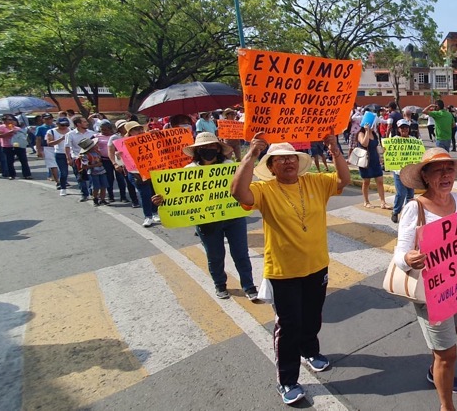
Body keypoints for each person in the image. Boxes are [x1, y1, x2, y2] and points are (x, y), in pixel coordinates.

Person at [230, 133, 350, 405]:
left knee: (312, 316)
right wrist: (250, 154)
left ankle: (310, 351)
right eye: (280, 159)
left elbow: (343, 179)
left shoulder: (316, 183)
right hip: (283, 271)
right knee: (289, 325)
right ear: (271, 166)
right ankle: (287, 380)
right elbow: (239, 192)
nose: (287, 162)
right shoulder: (265, 190)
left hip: (317, 265)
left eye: (291, 157)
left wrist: (335, 150)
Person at [393, 147, 457, 411]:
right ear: (425, 176)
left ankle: (435, 370)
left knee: (452, 335)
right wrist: (409, 259)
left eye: (449, 168)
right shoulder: (413, 208)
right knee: (448, 353)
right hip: (431, 291)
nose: (445, 174)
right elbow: (399, 255)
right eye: (437, 170)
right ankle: (446, 405)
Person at [152, 132, 258, 300]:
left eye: (211, 146)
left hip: (233, 217)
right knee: (215, 255)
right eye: (203, 148)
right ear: (197, 151)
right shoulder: (188, 171)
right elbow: (179, 196)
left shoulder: (230, 166)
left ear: (218, 149)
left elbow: (244, 185)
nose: (208, 150)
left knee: (241, 253)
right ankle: (220, 284)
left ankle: (249, 285)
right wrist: (162, 200)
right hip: (206, 221)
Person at [388, 119, 416, 223]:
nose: (404, 129)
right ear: (398, 129)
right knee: (401, 193)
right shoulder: (394, 139)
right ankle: (395, 212)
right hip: (398, 172)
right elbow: (388, 152)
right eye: (402, 127)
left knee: (410, 194)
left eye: (406, 127)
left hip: (410, 172)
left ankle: (408, 213)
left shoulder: (413, 139)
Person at [357, 124, 390, 209]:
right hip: (365, 161)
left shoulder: (374, 133)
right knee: (366, 181)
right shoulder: (361, 133)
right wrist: (367, 131)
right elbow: (364, 144)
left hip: (375, 160)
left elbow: (375, 147)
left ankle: (383, 202)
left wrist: (379, 157)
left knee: (380, 180)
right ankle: (366, 201)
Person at [66, 115, 96, 202]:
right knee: (80, 177)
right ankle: (84, 194)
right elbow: (67, 147)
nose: (87, 123)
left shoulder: (91, 133)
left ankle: (92, 191)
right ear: (78, 124)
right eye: (84, 122)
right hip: (77, 159)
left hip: (91, 158)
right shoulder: (70, 134)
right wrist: (68, 158)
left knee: (92, 176)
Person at [107, 119, 136, 205]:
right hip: (122, 163)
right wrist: (115, 163)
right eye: (123, 126)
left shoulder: (133, 135)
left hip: (135, 162)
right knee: (127, 181)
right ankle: (132, 200)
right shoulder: (114, 137)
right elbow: (110, 151)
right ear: (119, 128)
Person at [0, 114, 32, 180]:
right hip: (7, 146)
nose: (11, 121)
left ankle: (27, 174)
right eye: (9, 119)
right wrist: (9, 133)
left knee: (23, 160)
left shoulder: (17, 128)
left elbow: (23, 136)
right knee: (9, 161)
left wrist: (26, 133)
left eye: (12, 119)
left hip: (18, 145)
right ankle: (11, 175)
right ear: (4, 120)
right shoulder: (1, 127)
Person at [76, 138, 108, 206]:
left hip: (102, 171)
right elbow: (84, 166)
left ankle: (102, 199)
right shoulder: (85, 155)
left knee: (104, 186)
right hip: (93, 172)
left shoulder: (97, 152)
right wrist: (96, 165)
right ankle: (95, 199)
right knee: (95, 187)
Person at [47, 117, 73, 196]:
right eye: (62, 125)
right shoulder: (51, 131)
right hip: (60, 153)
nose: (64, 126)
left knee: (78, 172)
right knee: (64, 172)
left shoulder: (71, 131)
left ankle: (85, 191)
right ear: (57, 124)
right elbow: (50, 143)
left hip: (72, 153)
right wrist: (61, 139)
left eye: (66, 124)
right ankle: (63, 188)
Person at [35, 113, 58, 183]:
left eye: (50, 119)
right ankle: (55, 178)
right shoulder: (40, 128)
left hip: (57, 147)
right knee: (51, 163)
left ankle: (57, 176)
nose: (49, 120)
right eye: (46, 119)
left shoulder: (56, 127)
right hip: (47, 147)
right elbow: (38, 139)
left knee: (58, 163)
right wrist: (38, 150)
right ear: (43, 120)